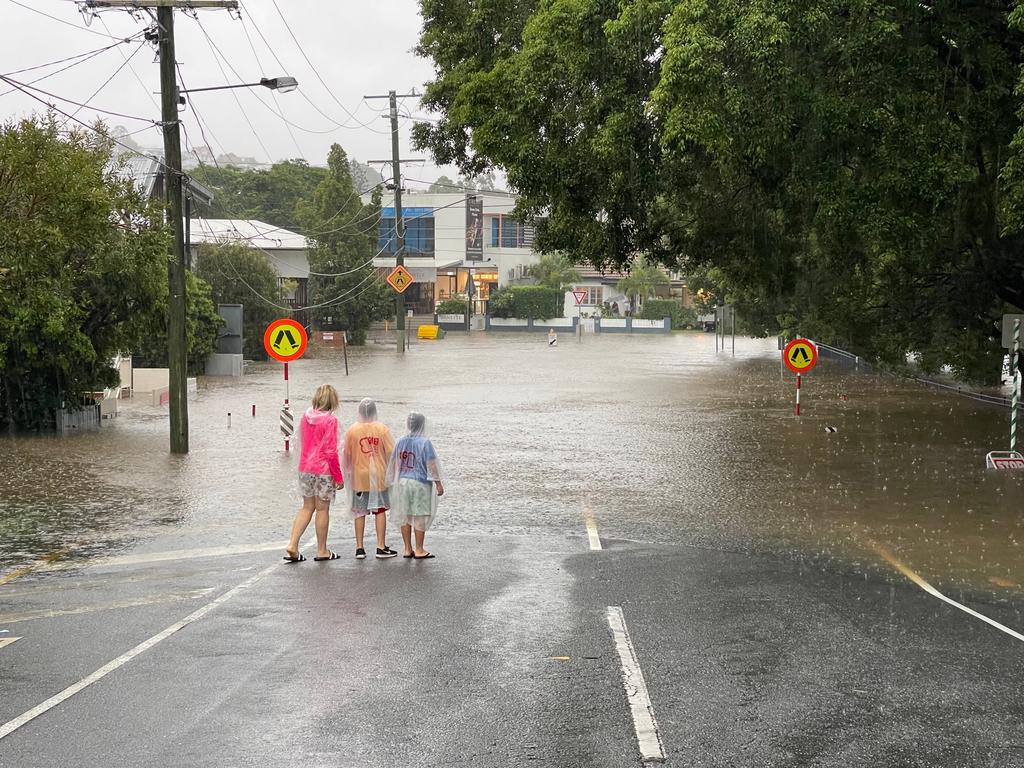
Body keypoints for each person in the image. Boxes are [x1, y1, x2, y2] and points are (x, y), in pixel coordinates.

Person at [284, 384, 344, 563]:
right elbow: (331, 451)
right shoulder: (330, 421)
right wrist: (339, 477)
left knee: (307, 507)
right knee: (322, 509)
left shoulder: (305, 416)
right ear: (333, 401)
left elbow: (300, 442)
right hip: (323, 471)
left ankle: (293, 544)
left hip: (305, 468)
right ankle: (322, 550)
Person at [342, 398, 396, 560]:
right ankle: (380, 546)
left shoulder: (352, 430)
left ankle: (360, 547)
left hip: (359, 476)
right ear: (374, 411)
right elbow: (391, 453)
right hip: (378, 475)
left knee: (359, 511)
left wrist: (346, 474)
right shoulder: (382, 429)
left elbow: (347, 455)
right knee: (380, 510)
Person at [387, 412, 444, 559]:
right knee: (419, 516)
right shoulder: (425, 442)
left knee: (405, 515)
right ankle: (419, 549)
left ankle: (407, 548)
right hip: (419, 483)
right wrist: (438, 483)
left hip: (402, 482)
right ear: (422, 425)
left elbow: (393, 462)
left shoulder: (400, 441)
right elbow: (431, 464)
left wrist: (392, 481)